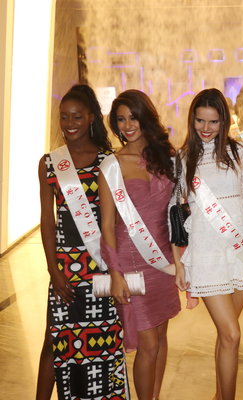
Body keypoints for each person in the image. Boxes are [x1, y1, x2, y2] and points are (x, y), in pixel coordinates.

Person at [36, 84, 128, 400]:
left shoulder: (109, 161)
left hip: (101, 267)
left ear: (91, 117)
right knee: (55, 340)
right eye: (64, 117)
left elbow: (116, 221)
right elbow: (48, 222)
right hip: (65, 268)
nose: (69, 123)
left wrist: (118, 270)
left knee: (103, 340)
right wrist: (53, 270)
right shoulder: (50, 163)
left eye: (76, 116)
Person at [98, 89, 184, 400]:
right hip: (131, 262)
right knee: (147, 344)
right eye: (120, 120)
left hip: (163, 260)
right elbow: (107, 225)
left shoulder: (167, 157)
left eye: (133, 117)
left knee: (160, 337)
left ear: (145, 117)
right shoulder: (112, 165)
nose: (127, 125)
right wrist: (115, 274)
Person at [173, 88, 243, 400]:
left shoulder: (241, 152)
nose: (206, 128)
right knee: (232, 333)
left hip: (238, 251)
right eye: (200, 121)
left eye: (214, 122)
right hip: (206, 253)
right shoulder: (182, 159)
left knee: (226, 335)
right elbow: (175, 214)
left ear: (224, 122)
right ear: (192, 120)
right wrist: (179, 264)